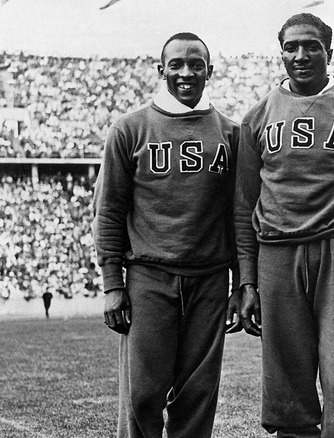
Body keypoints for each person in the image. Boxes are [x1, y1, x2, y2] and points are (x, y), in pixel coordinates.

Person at [234, 13, 334, 437]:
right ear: (281, 52)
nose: (301, 55)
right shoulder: (256, 117)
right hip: (277, 253)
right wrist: (247, 281)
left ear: (329, 52)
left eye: (311, 46)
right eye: (291, 47)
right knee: (287, 383)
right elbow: (243, 207)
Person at [92, 32, 241, 438]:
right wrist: (111, 283)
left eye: (196, 64)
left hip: (209, 279)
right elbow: (108, 210)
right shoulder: (130, 129)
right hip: (148, 278)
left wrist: (242, 284)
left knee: (198, 396)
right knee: (142, 395)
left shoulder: (231, 133)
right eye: (176, 64)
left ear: (210, 72)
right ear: (161, 71)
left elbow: (239, 217)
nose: (186, 72)